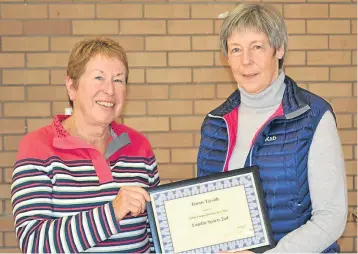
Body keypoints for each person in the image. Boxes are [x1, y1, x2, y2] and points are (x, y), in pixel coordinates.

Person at [197, 3, 347, 253]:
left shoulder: (312, 116)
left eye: (257, 47)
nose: (246, 61)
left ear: (278, 49)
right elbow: (207, 210)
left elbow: (331, 216)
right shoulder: (215, 123)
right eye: (236, 49)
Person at [11, 37, 160, 253]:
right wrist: (112, 212)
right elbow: (34, 243)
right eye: (99, 77)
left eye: (118, 80)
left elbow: (155, 236)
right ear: (72, 86)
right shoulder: (37, 148)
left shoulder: (140, 147)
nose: (109, 90)